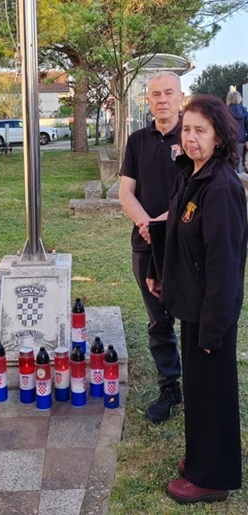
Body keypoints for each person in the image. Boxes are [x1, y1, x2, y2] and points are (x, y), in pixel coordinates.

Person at [146, 95, 246, 504]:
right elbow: (179, 236)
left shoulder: (222, 188)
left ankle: (212, 479)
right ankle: (202, 458)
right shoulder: (191, 175)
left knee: (213, 394)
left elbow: (224, 265)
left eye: (200, 130)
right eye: (186, 129)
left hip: (210, 313)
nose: (190, 138)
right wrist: (162, 277)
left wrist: (213, 327)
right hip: (190, 304)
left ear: (220, 137)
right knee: (201, 391)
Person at [118, 71, 184, 425]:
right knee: (158, 320)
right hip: (146, 246)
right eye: (155, 94)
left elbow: (198, 191)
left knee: (189, 315)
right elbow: (125, 192)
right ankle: (170, 386)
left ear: (181, 97)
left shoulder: (192, 136)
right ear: (148, 100)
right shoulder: (137, 141)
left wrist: (160, 225)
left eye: (168, 93)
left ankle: (202, 384)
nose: (162, 99)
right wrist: (147, 226)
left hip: (185, 243)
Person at [225, 88, 248, 173]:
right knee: (239, 158)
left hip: (229, 139)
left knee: (229, 160)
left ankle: (232, 181)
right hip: (241, 139)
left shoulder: (225, 111)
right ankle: (240, 178)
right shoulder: (244, 111)